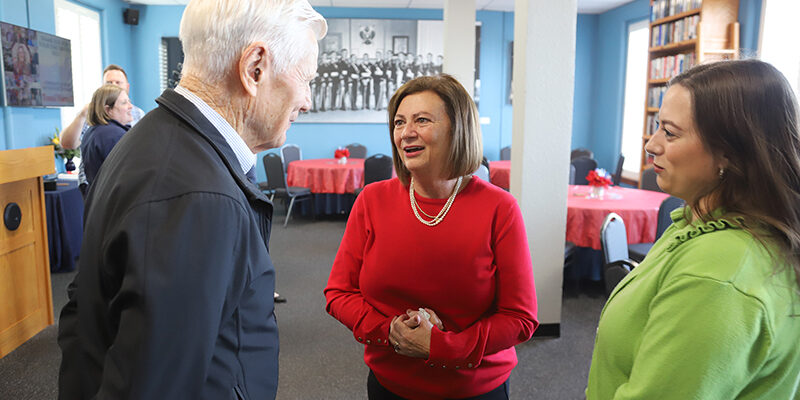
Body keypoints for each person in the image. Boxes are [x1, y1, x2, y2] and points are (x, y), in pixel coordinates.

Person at [57, 1, 326, 399]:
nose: (307, 100)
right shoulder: (201, 198)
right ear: (255, 68)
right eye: (306, 78)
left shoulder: (151, 141)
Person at [586, 59, 800, 399]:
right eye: (658, 127)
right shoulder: (697, 222)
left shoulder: (719, 274)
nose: (651, 144)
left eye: (670, 133)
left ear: (728, 152)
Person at [325, 74, 538, 400]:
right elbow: (339, 292)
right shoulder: (372, 200)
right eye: (399, 122)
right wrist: (389, 332)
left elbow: (520, 318)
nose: (406, 132)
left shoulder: (500, 208)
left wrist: (442, 346)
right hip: (388, 384)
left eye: (422, 120)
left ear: (458, 129)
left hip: (473, 388)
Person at [59, 64, 145, 196]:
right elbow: (67, 144)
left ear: (127, 86)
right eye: (109, 82)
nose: (114, 85)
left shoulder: (138, 114)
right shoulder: (107, 131)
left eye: (118, 82)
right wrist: (82, 115)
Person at [79, 84, 132, 187]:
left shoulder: (93, 131)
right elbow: (127, 176)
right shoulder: (114, 135)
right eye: (124, 103)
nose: (130, 106)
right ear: (108, 110)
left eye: (129, 101)